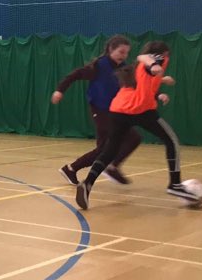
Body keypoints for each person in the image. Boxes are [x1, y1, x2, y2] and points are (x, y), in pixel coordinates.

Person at [76, 40, 198, 209]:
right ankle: (175, 185)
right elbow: (145, 58)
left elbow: (144, 82)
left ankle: (87, 183)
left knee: (110, 150)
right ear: (163, 54)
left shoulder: (135, 69)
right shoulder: (154, 59)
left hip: (119, 110)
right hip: (140, 110)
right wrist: (155, 65)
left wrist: (161, 81)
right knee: (172, 141)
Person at [52, 35, 141, 186]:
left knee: (117, 144)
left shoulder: (124, 68)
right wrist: (60, 90)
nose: (124, 56)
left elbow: (136, 85)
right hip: (100, 111)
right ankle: (110, 167)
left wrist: (158, 93)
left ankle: (72, 169)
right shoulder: (100, 65)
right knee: (116, 144)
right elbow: (75, 75)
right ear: (111, 50)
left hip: (116, 111)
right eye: (121, 52)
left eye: (126, 53)